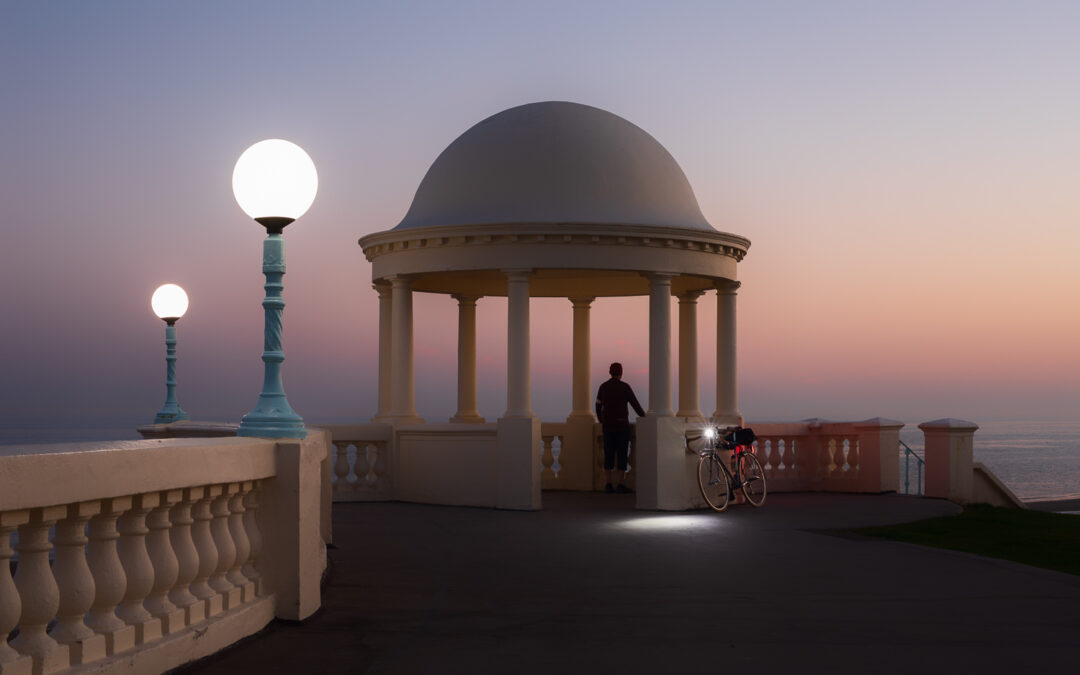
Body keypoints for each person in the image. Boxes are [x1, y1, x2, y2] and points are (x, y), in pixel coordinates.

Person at [595, 362, 645, 493]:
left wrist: (602, 420)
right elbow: (635, 404)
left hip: (608, 427)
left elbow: (598, 406)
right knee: (622, 455)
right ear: (621, 373)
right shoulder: (625, 387)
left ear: (610, 372)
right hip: (622, 426)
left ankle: (608, 484)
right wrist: (645, 417)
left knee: (608, 455)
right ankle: (621, 484)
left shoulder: (603, 387)